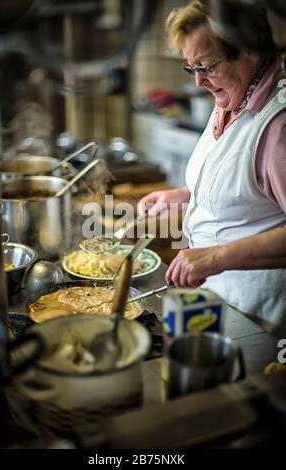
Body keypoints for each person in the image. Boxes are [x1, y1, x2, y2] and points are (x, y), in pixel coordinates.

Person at [138, 0, 286, 334]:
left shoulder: (278, 127)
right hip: (216, 302)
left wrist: (216, 257)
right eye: (192, 69)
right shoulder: (231, 98)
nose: (198, 83)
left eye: (207, 66)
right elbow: (242, 189)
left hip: (259, 316)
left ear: (249, 51)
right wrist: (181, 196)